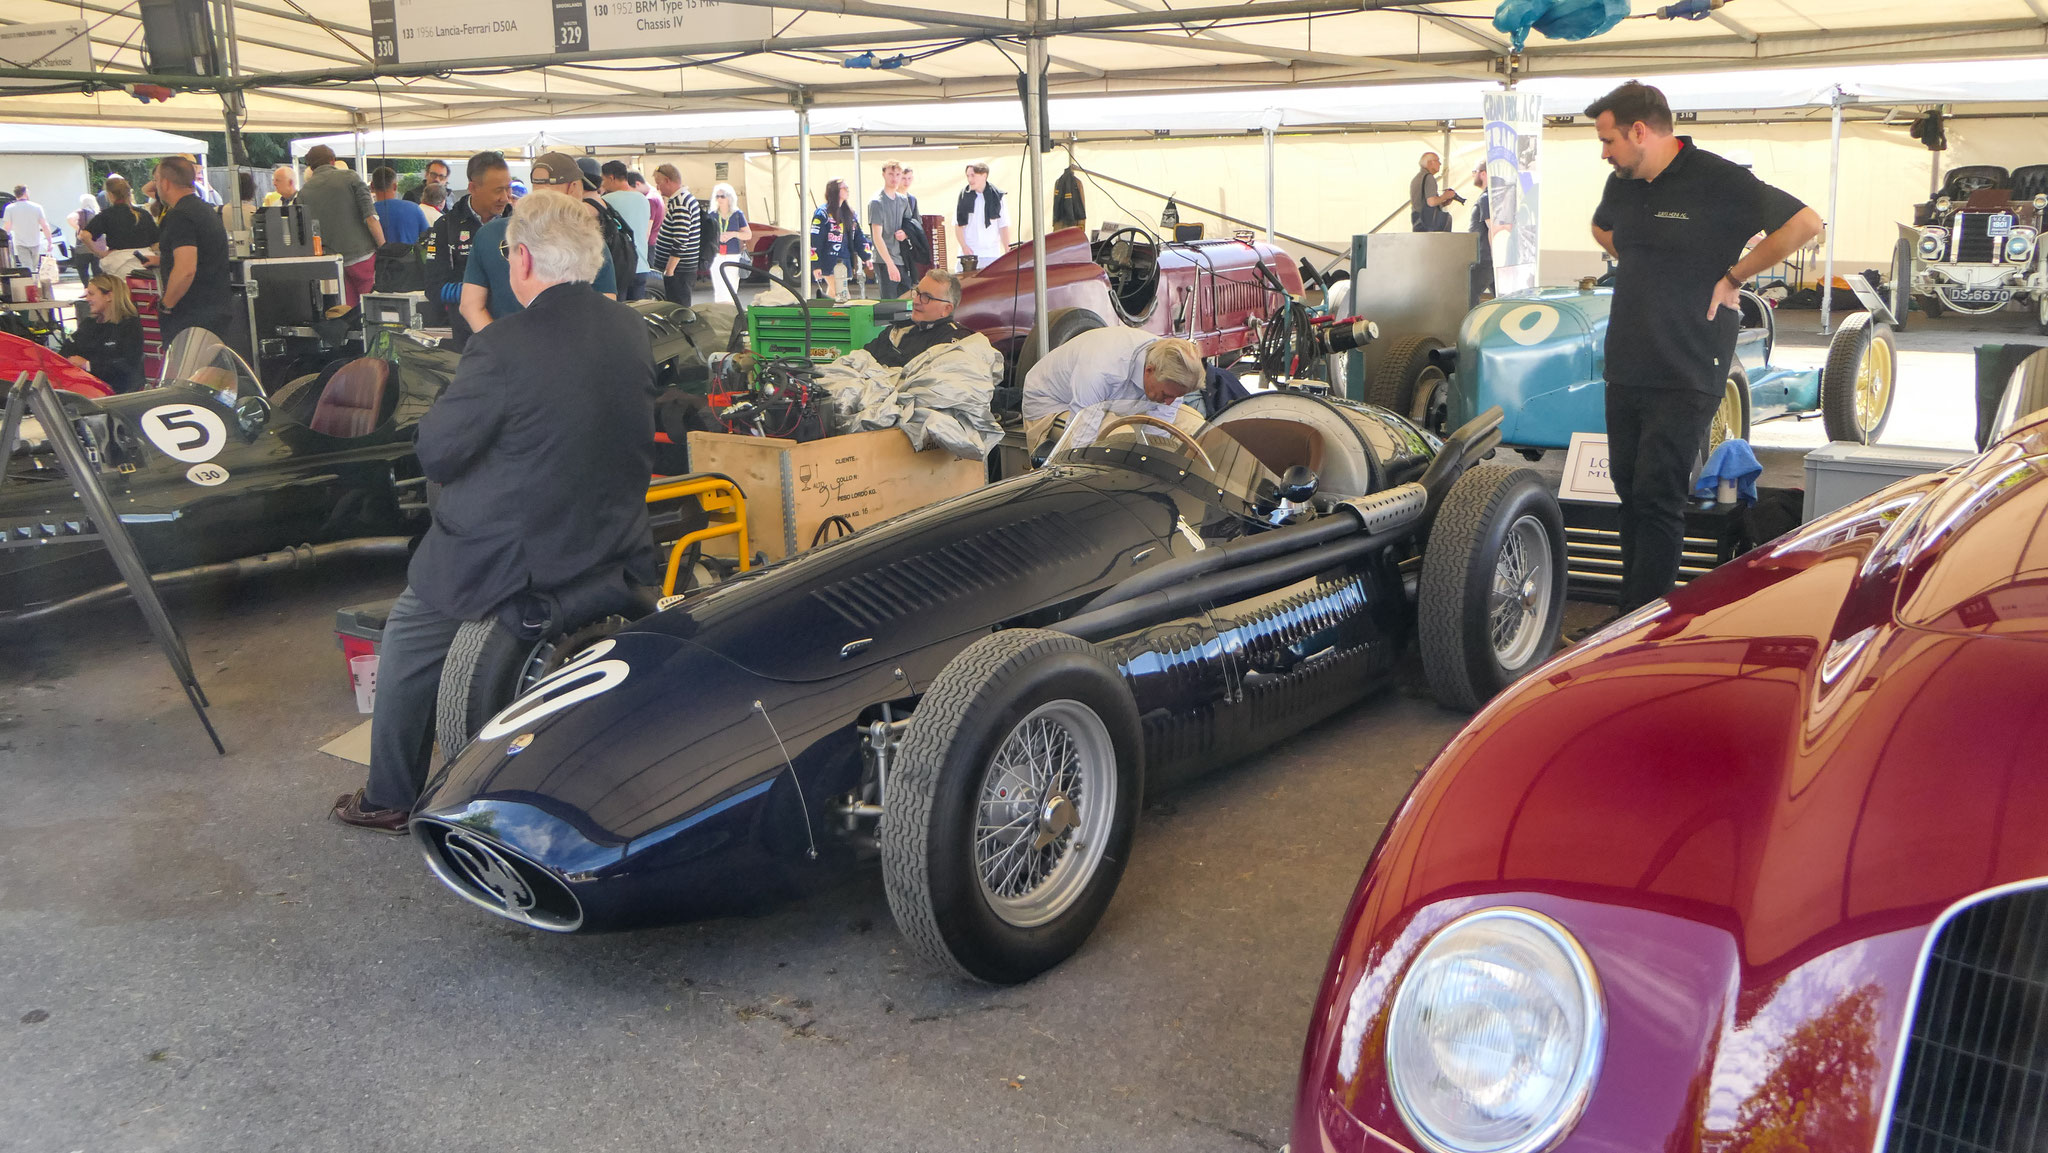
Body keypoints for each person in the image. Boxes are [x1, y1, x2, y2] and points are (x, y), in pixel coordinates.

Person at [330, 189, 659, 833]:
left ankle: (389, 795)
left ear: (525, 261)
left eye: (510, 253)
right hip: (614, 535)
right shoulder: (630, 328)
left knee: (410, 629)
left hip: (519, 553)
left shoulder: (504, 345)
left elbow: (440, 450)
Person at [1585, 80, 1822, 614]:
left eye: (1609, 141)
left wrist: (1735, 275)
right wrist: (1645, 259)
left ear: (1640, 131)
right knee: (1630, 492)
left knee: (1659, 494)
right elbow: (1603, 229)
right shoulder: (1621, 183)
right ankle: (1629, 616)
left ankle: (1642, 628)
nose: (1604, 152)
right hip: (1628, 358)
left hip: (1690, 359)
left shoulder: (1720, 180)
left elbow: (1804, 223)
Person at [460, 151, 618, 335]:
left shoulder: (488, 234)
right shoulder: (587, 238)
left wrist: (499, 348)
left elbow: (469, 306)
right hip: (569, 355)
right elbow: (606, 308)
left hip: (504, 354)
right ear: (573, 187)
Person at [1020, 329, 1203, 448]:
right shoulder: (1102, 368)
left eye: (1177, 397)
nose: (1170, 402)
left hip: (1115, 402)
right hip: (1054, 403)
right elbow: (1081, 438)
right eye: (1166, 395)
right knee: (1120, 441)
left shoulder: (1174, 375)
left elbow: (1157, 435)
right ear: (1149, 370)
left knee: (1195, 427)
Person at [139, 156, 233, 350]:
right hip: (216, 307)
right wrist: (162, 261)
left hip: (192, 314)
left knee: (185, 376)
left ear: (165, 183)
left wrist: (166, 305)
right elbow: (201, 255)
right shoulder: (206, 210)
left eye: (156, 180)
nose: (156, 186)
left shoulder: (179, 216)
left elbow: (186, 270)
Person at [423, 150, 513, 349]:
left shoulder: (521, 224)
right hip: (468, 339)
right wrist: (478, 292)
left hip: (515, 332)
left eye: (508, 189)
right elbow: (434, 288)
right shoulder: (446, 227)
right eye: (498, 190)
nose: (505, 197)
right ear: (473, 187)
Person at [297, 144, 386, 306]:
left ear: (311, 166)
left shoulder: (303, 193)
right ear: (333, 160)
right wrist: (384, 247)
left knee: (348, 312)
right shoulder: (351, 178)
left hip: (333, 264)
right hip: (362, 256)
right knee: (372, 307)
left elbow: (304, 233)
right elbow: (370, 217)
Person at [859, 269, 971, 368]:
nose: (916, 301)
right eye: (917, 293)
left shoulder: (954, 341)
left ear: (946, 309)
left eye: (926, 297)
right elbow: (861, 359)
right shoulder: (897, 329)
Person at [59, 274, 146, 393]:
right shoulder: (89, 324)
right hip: (88, 387)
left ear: (109, 296)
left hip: (121, 391)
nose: (87, 299)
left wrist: (87, 365)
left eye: (92, 294)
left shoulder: (129, 325)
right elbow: (66, 350)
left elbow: (127, 365)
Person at [599, 160, 656, 300]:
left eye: (603, 180)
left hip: (619, 268)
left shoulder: (605, 201)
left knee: (619, 314)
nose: (602, 184)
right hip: (642, 266)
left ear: (611, 178)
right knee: (637, 312)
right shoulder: (643, 200)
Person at [78, 176, 157, 276]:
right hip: (145, 262)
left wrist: (99, 253)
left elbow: (84, 235)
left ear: (110, 195)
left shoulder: (106, 215)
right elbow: (156, 242)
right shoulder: (143, 214)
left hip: (119, 264)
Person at [650, 164, 701, 307]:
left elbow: (681, 239)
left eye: (659, 183)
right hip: (681, 269)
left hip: (679, 271)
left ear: (667, 180)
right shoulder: (683, 199)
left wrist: (669, 270)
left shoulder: (680, 203)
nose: (658, 188)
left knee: (678, 309)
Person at [811, 178, 868, 301]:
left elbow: (858, 236)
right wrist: (816, 265)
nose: (847, 190)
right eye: (844, 188)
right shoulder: (822, 213)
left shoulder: (849, 213)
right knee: (843, 295)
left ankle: (824, 316)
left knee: (833, 296)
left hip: (845, 261)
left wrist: (866, 256)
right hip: (829, 261)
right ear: (835, 191)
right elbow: (815, 240)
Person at [868, 160, 912, 299]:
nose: (894, 178)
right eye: (891, 174)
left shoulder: (903, 200)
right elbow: (877, 236)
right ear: (884, 175)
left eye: (898, 174)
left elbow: (910, 224)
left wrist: (905, 233)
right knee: (890, 303)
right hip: (884, 259)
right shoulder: (877, 202)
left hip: (901, 258)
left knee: (907, 300)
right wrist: (889, 264)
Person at [705, 182, 752, 305]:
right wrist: (717, 237)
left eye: (722, 196)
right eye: (717, 196)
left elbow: (748, 234)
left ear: (729, 198)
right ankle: (721, 312)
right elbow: (706, 236)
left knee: (731, 287)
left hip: (733, 255)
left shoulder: (737, 215)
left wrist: (733, 234)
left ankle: (730, 312)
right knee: (720, 289)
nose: (719, 199)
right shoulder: (712, 215)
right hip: (717, 255)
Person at [957, 163, 1011, 269]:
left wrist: (1007, 249)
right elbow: (958, 225)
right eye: (968, 176)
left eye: (973, 175)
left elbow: (1003, 226)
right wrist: (964, 246)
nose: (970, 179)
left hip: (991, 254)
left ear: (984, 175)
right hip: (969, 256)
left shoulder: (998, 197)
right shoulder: (963, 196)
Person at [370, 166, 430, 246]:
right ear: (395, 186)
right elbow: (428, 238)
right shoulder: (414, 209)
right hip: (411, 257)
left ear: (372, 186)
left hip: (378, 258)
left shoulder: (369, 214)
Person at [4, 186, 51, 273]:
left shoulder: (9, 208)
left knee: (27, 266)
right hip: (35, 241)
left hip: (20, 242)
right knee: (34, 266)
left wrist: (6, 240)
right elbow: (45, 225)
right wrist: (49, 242)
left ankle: (31, 283)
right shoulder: (37, 207)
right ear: (25, 193)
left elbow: (7, 227)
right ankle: (34, 283)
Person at [1409, 152, 1459, 232]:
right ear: (1430, 163)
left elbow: (1424, 205)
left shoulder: (1417, 179)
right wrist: (1445, 196)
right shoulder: (1429, 177)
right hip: (1429, 228)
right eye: (1438, 160)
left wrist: (1443, 203)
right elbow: (1431, 202)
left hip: (1418, 223)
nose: (1440, 163)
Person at [71, 194, 100, 285]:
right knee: (97, 271)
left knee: (83, 270)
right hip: (97, 248)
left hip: (82, 247)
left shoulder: (81, 212)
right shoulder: (98, 214)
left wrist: (78, 229)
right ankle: (98, 288)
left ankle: (86, 288)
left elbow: (69, 218)